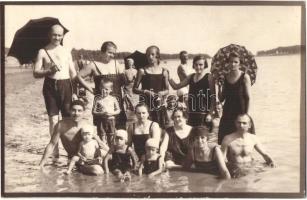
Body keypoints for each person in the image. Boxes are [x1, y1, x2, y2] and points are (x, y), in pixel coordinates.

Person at [33, 24, 78, 158]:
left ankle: (70, 149)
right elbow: (35, 72)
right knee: (53, 120)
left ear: (63, 36)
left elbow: (73, 73)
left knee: (68, 119)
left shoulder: (66, 51)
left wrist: (76, 91)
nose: (57, 37)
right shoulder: (43, 51)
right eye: (54, 35)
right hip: (50, 86)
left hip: (66, 85)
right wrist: (49, 71)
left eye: (59, 35)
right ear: (49, 35)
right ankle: (55, 149)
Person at [39, 100, 108, 175]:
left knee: (107, 155)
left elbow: (100, 143)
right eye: (73, 110)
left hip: (91, 155)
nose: (76, 113)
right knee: (98, 171)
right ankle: (80, 168)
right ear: (69, 111)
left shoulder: (87, 124)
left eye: (79, 111)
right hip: (77, 158)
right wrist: (41, 165)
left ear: (83, 112)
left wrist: (112, 153)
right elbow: (52, 145)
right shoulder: (61, 125)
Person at [77, 41, 127, 130]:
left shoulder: (116, 64)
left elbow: (123, 82)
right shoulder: (93, 65)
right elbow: (78, 76)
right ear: (102, 52)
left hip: (117, 100)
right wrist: (89, 88)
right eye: (110, 52)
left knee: (119, 129)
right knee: (103, 129)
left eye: (114, 53)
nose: (112, 55)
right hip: (101, 101)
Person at [221, 114, 275, 178]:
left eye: (244, 123)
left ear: (249, 125)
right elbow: (222, 160)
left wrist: (273, 166)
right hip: (235, 170)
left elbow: (264, 154)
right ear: (235, 123)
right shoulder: (228, 139)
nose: (241, 125)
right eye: (239, 123)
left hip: (250, 168)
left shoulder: (253, 138)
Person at [218, 52, 255, 144]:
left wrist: (247, 115)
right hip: (228, 112)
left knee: (243, 140)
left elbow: (249, 98)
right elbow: (221, 98)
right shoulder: (226, 77)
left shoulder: (245, 77)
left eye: (236, 62)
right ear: (228, 63)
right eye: (231, 62)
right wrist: (219, 86)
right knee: (225, 139)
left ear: (240, 63)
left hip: (241, 112)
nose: (233, 64)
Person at [169, 55, 215, 127]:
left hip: (204, 113)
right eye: (196, 65)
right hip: (192, 113)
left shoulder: (209, 77)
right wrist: (169, 77)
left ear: (205, 65)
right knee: (191, 136)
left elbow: (213, 97)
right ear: (193, 65)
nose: (198, 67)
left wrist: (210, 114)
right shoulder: (191, 77)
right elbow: (176, 86)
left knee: (202, 136)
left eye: (201, 65)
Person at [133, 45, 169, 128]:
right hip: (145, 106)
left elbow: (167, 90)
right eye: (148, 55)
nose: (150, 57)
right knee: (146, 129)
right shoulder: (142, 71)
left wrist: (162, 92)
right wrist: (145, 91)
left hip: (159, 104)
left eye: (152, 54)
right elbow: (134, 89)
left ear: (157, 55)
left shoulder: (164, 71)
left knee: (161, 129)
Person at [92, 79, 120, 146]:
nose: (104, 91)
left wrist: (112, 113)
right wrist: (101, 113)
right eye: (103, 89)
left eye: (107, 89)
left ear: (111, 90)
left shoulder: (113, 99)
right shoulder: (97, 99)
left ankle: (111, 148)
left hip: (111, 119)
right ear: (100, 88)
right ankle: (103, 149)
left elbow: (118, 110)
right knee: (102, 135)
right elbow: (94, 111)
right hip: (101, 120)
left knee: (111, 134)